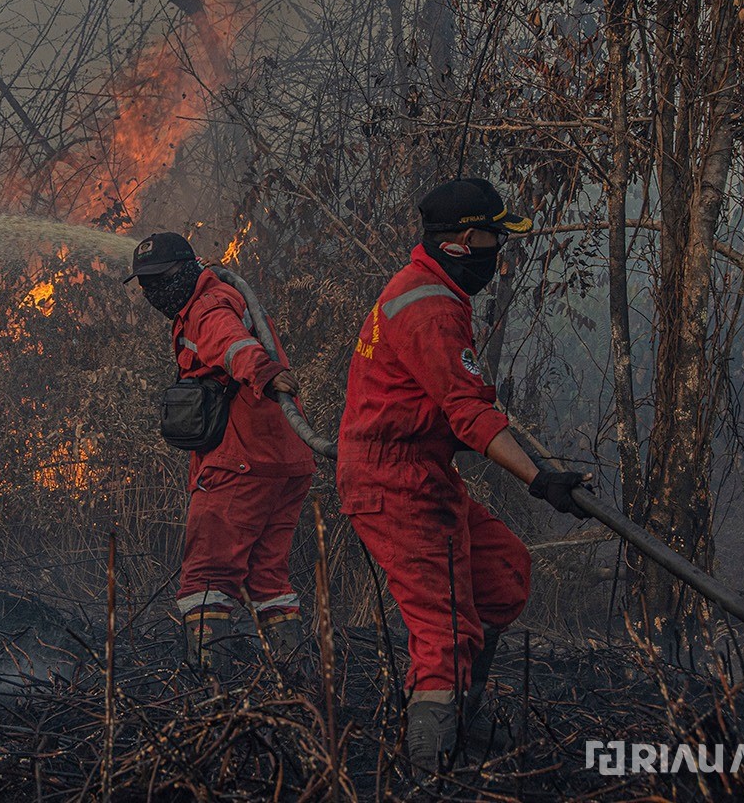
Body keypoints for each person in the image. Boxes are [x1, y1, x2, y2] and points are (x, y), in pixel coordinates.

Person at [335, 178, 591, 773]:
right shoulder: (428, 307)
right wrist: (541, 478)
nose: (497, 255)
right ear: (462, 240)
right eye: (493, 240)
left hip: (422, 472)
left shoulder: (430, 291)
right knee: (445, 632)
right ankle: (426, 770)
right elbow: (468, 411)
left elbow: (456, 408)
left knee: (502, 574)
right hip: (393, 483)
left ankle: (457, 727)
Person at [126, 231, 316, 674]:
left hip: (241, 463)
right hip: (286, 461)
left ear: (188, 270)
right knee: (268, 579)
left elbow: (232, 346)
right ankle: (298, 686)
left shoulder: (208, 307)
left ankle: (211, 698)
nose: (153, 292)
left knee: (206, 580)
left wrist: (264, 373)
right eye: (144, 284)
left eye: (159, 280)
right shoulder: (218, 296)